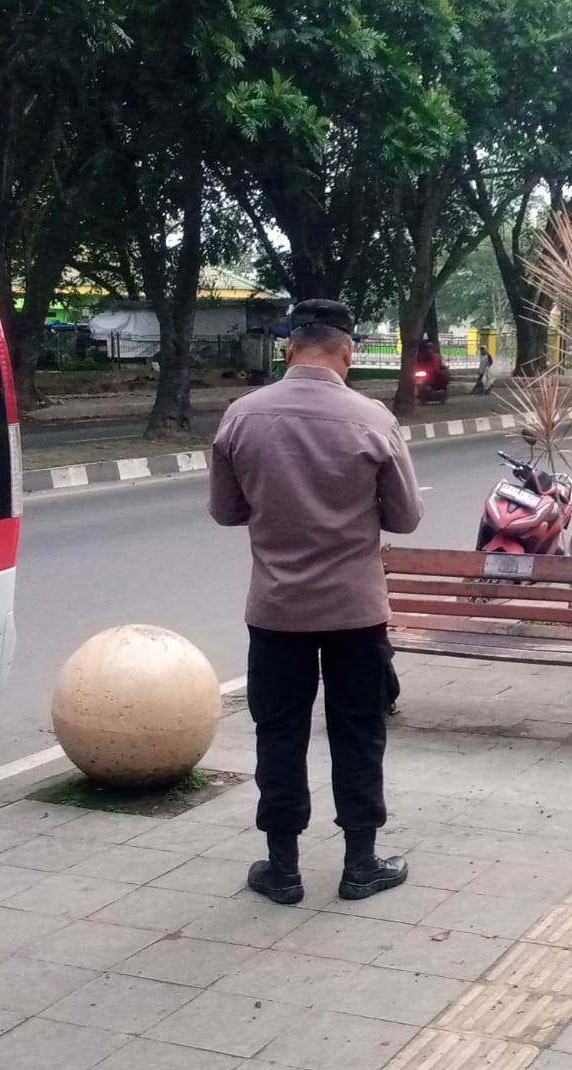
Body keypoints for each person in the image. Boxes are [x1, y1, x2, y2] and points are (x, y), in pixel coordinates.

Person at [210, 299, 424, 906]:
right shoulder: (372, 420)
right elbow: (405, 518)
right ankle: (361, 865)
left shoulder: (240, 417)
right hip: (355, 613)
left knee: (278, 734)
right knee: (359, 733)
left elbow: (227, 511)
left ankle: (282, 869)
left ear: (288, 347)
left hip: (276, 611)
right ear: (348, 349)